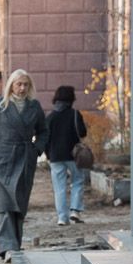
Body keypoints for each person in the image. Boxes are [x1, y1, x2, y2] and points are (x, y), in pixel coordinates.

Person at [0, 69, 49, 262]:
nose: (22, 88)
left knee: (19, 206)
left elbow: (43, 131)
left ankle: (15, 245)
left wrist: (36, 149)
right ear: (11, 85)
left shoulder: (34, 107)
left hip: (25, 160)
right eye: (19, 84)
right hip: (2, 161)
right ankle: (8, 248)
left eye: (26, 84)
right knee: (5, 205)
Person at [46, 84, 89, 225]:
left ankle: (62, 218)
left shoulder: (50, 117)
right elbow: (82, 133)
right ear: (71, 98)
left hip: (55, 157)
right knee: (77, 180)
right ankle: (75, 211)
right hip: (74, 155)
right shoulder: (75, 114)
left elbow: (45, 138)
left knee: (59, 187)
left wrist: (48, 155)